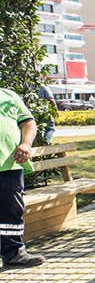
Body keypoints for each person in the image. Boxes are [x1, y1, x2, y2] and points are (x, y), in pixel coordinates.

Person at [1, 87, 44, 268]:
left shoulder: (8, 95)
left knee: (12, 211)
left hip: (9, 163)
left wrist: (26, 143)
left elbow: (28, 122)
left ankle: (14, 254)